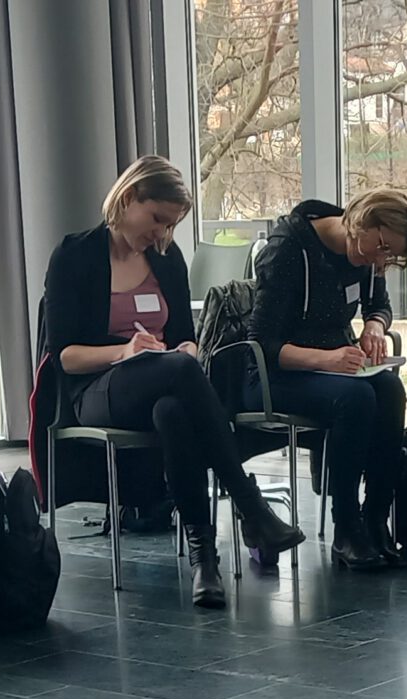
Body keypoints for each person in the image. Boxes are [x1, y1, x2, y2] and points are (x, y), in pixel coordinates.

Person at [37, 156, 306, 610]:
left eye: (171, 224)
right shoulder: (74, 255)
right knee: (180, 374)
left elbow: (186, 337)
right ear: (128, 199)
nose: (162, 233)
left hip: (161, 385)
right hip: (95, 390)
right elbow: (64, 357)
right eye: (157, 218)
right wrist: (125, 352)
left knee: (173, 411)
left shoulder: (167, 258)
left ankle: (205, 560)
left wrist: (187, 350)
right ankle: (250, 506)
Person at [248, 188, 407, 569]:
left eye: (390, 256)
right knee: (355, 398)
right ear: (363, 220)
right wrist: (327, 359)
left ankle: (376, 517)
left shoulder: (366, 255)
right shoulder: (288, 249)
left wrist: (374, 327)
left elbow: (379, 305)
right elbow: (261, 344)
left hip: (331, 368)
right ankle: (346, 527)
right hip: (278, 373)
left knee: (391, 389)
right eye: (382, 247)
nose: (380, 260)